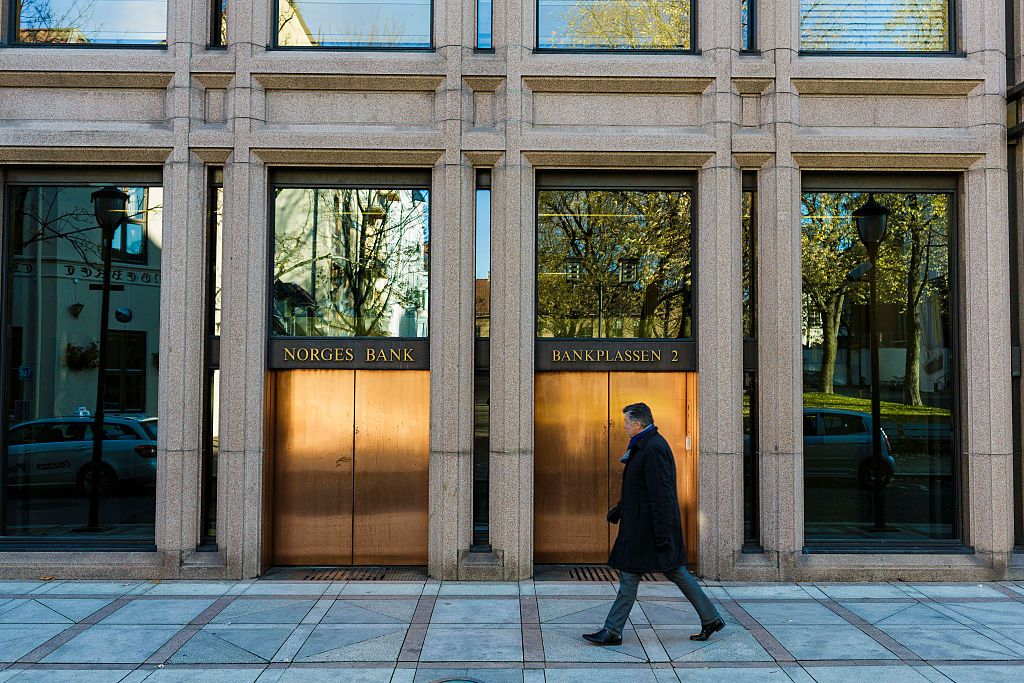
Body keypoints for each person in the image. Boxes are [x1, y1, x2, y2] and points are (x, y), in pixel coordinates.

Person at [583, 402, 725, 646]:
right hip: (643, 527)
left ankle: (613, 630)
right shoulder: (643, 445)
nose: (624, 426)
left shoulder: (653, 448)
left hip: (648, 530)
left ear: (638, 424)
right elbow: (639, 488)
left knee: (637, 575)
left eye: (627, 422)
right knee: (670, 572)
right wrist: (620, 509)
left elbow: (662, 495)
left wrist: (663, 533)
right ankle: (710, 618)